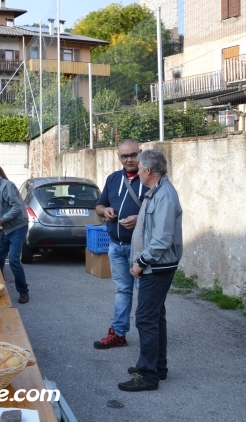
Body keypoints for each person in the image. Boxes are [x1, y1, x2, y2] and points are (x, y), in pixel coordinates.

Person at [118, 149, 183, 392]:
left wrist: (141, 262)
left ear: (147, 170)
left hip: (157, 265)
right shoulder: (156, 192)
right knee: (156, 315)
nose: (135, 170)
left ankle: (147, 374)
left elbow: (162, 239)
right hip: (156, 263)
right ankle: (158, 367)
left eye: (139, 168)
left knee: (146, 317)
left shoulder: (164, 195)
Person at [94, 140, 149, 350]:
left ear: (140, 154)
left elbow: (159, 212)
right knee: (122, 291)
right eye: (124, 156)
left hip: (140, 250)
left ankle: (149, 338)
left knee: (144, 294)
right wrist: (104, 211)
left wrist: (139, 218)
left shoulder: (149, 178)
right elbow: (99, 205)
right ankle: (118, 334)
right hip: (115, 246)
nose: (129, 159)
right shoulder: (114, 178)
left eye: (133, 155)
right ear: (119, 158)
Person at [0, 162, 30, 304]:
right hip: (6, 228)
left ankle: (23, 292)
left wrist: (0, 222)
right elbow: (3, 210)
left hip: (18, 227)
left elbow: (16, 209)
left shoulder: (7, 186)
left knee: (14, 259)